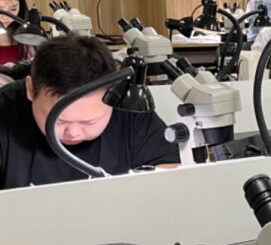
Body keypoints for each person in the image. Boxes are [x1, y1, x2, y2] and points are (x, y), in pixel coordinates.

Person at [0, 36, 178, 189]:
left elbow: (169, 174)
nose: (74, 133)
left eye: (90, 122)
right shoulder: (4, 109)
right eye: (58, 121)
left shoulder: (128, 105)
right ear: (31, 89)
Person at [0, 0, 35, 78]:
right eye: (1, 10)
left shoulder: (26, 31)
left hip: (20, 88)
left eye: (13, 9)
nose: (7, 17)